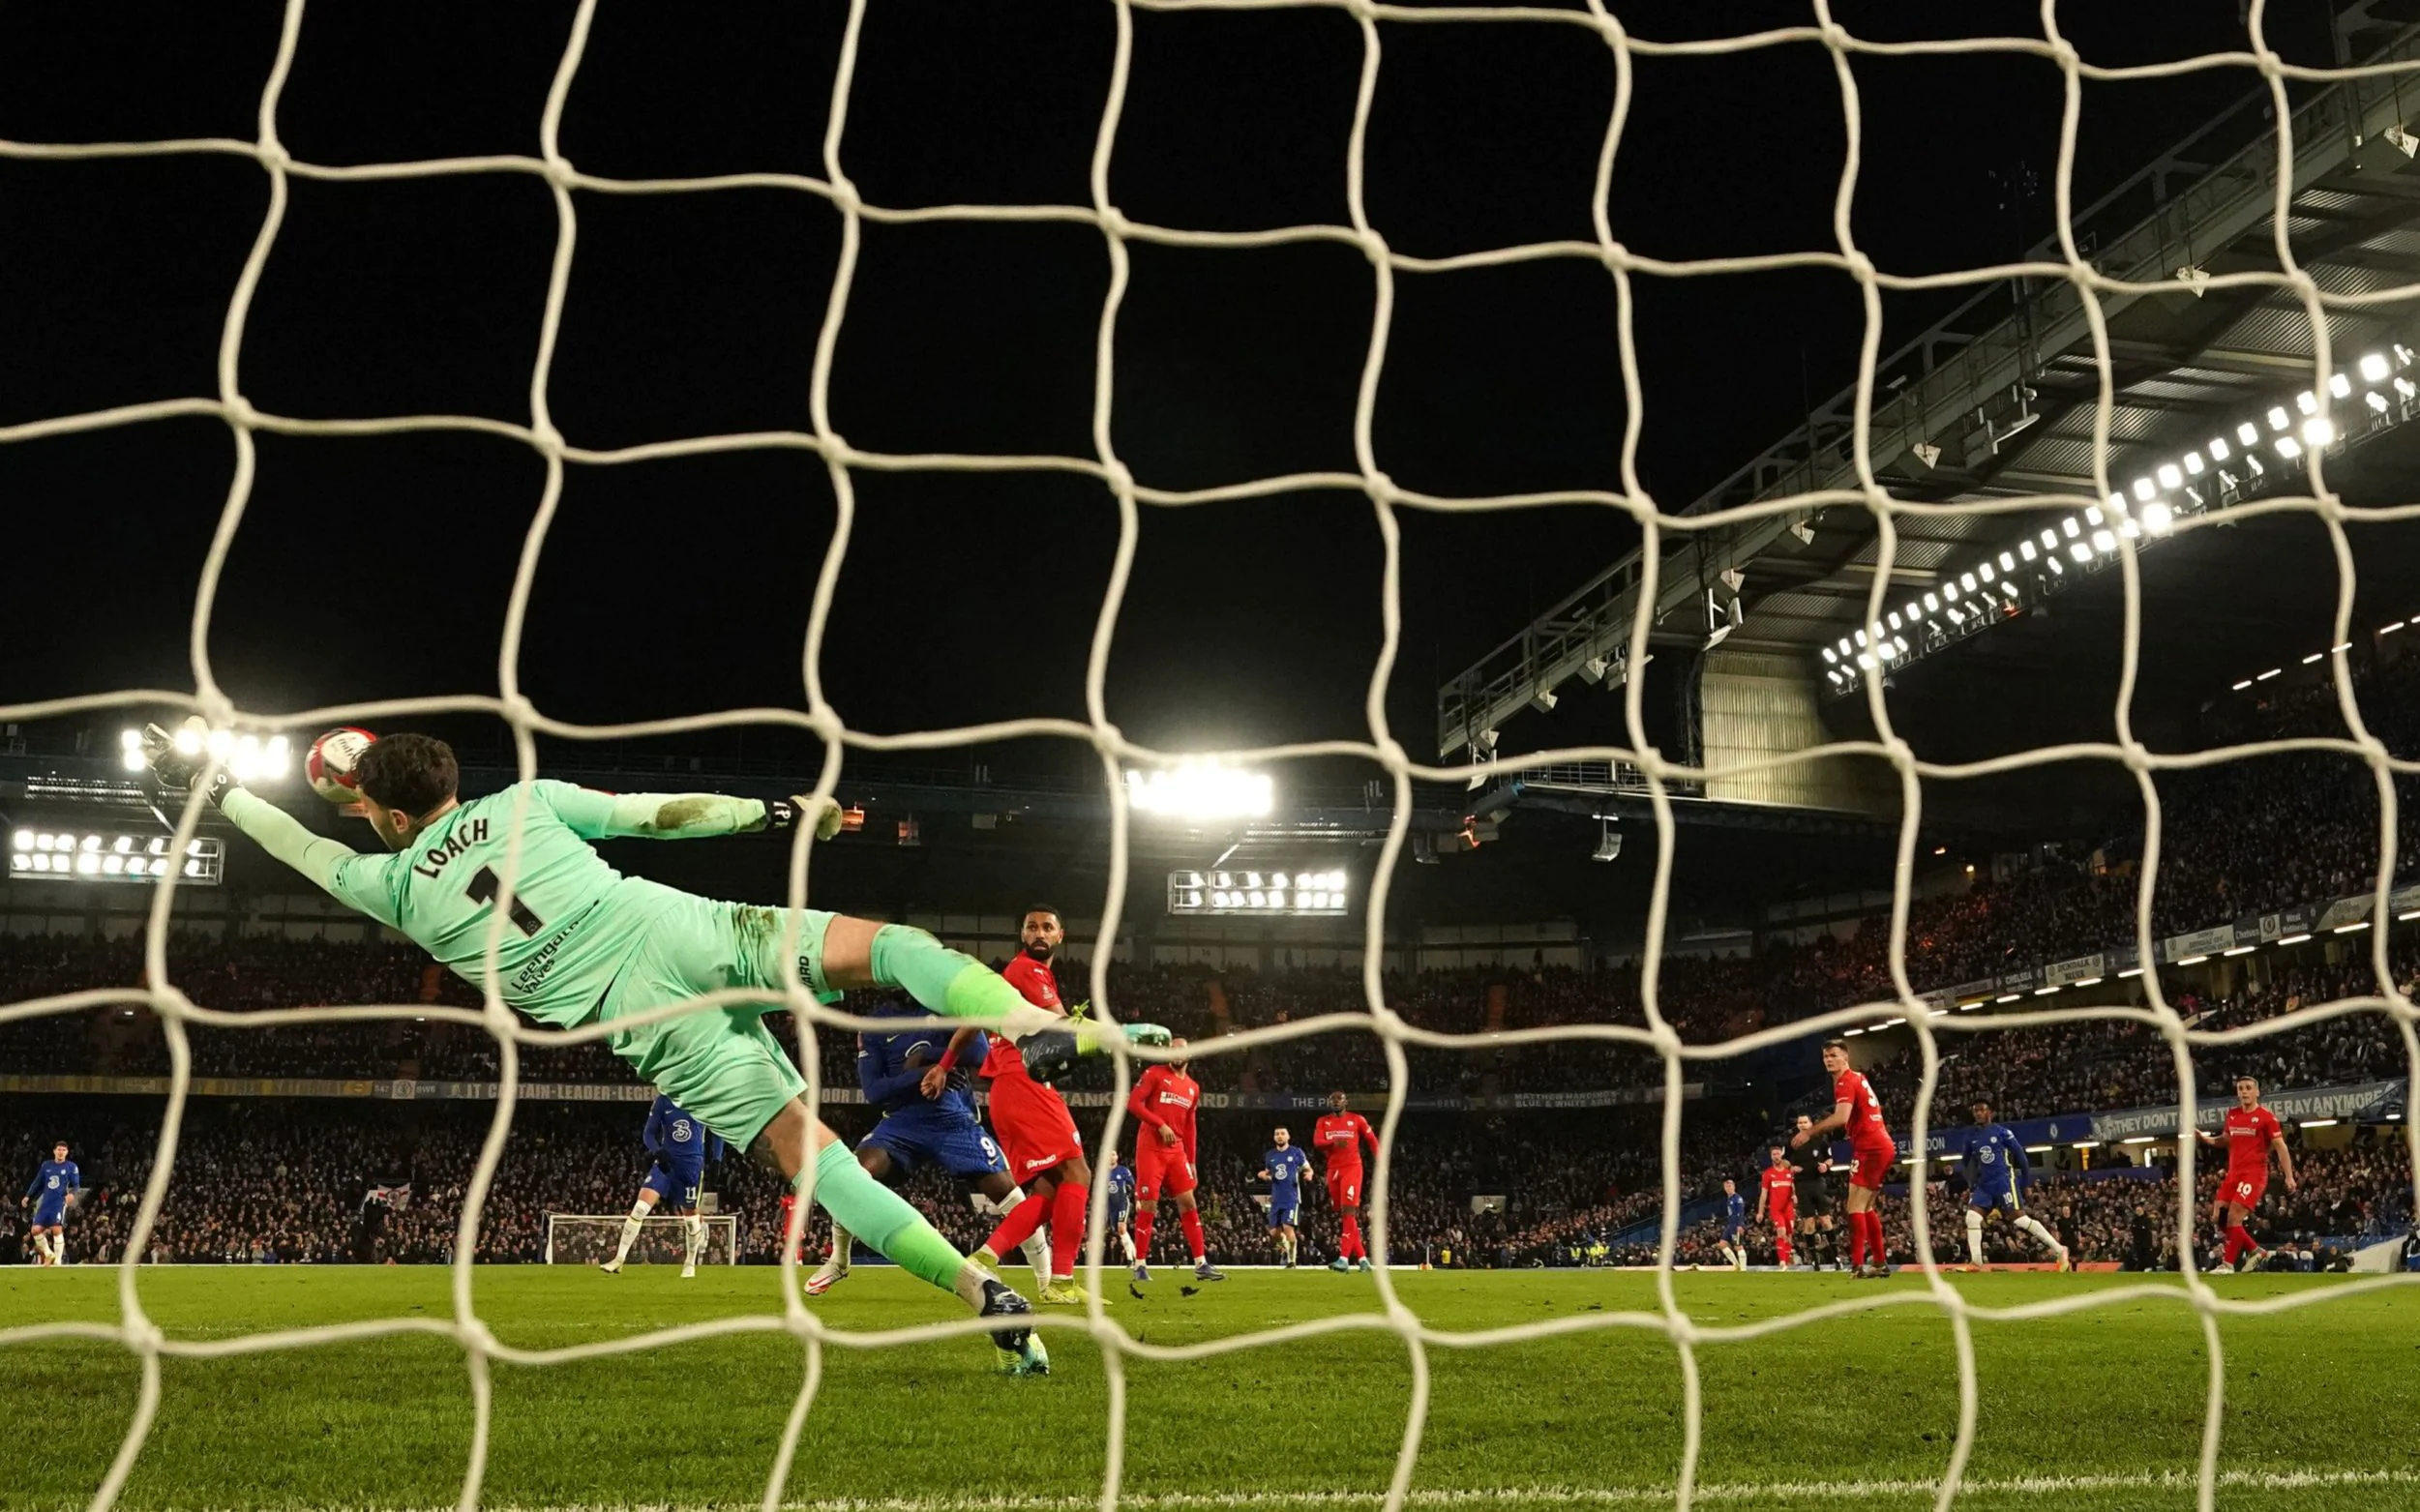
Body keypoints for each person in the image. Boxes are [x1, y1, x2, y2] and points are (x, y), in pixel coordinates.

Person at [138, 726, 1167, 1375]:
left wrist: (217, 787)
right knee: (889, 948)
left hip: (643, 1023)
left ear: (389, 813)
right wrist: (775, 810)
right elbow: (663, 817)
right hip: (687, 933)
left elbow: (296, 842)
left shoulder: (389, 884)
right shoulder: (522, 800)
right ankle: (1049, 1025)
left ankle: (975, 1291)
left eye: (369, 808)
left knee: (816, 1161)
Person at [805, 999, 1052, 1296]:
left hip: (953, 1118)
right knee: (852, 1175)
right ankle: (839, 1260)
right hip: (902, 1121)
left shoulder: (945, 1005)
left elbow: (980, 1053)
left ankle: (1047, 1280)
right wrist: (919, 1074)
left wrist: (929, 1056)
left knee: (1009, 1193)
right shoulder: (876, 1021)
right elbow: (873, 1090)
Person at [941, 905, 1109, 1306]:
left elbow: (972, 1022)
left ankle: (984, 1257)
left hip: (1009, 1091)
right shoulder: (1027, 972)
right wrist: (1116, 1037)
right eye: (1032, 926)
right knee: (1078, 1172)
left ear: (1059, 936)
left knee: (1049, 1193)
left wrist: (944, 1066)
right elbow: (1064, 1026)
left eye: (1047, 927)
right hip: (1023, 1082)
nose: (1039, 932)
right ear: (1022, 934)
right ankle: (1062, 1280)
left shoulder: (1007, 981)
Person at [1121, 1039, 1224, 1284]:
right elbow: (1133, 1103)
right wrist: (1160, 1124)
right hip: (1150, 1149)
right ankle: (1140, 1264)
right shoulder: (1154, 1073)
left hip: (1176, 1151)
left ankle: (1201, 1263)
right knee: (1149, 1206)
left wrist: (1192, 1162)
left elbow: (1190, 1126)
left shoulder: (1193, 1087)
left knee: (1189, 1203)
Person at [1792, 1042, 1897, 1279]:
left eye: (1833, 1055)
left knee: (1854, 1207)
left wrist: (1809, 1132)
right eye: (1825, 1056)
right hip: (1878, 1145)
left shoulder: (1845, 1081)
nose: (1828, 1060)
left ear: (1845, 1057)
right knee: (1866, 1206)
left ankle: (1857, 1265)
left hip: (1870, 1147)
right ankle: (1879, 1263)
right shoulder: (1858, 1077)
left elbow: (1841, 1117)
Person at [601, 1094, 725, 1277]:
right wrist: (657, 1152)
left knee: (691, 1219)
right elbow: (648, 1133)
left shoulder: (702, 1097)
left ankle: (690, 1263)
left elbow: (718, 1130)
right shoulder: (663, 1101)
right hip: (665, 1164)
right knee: (640, 1208)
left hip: (691, 1166)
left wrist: (717, 1159)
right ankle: (618, 1260)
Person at [2193, 1074, 2297, 1273]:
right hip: (2233, 1174)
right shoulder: (2232, 1114)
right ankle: (2255, 1250)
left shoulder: (2267, 1118)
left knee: (2233, 1218)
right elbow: (2224, 1140)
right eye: (2241, 1088)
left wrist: (2289, 1176)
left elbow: (2281, 1147)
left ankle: (2228, 1264)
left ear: (2257, 1091)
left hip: (2253, 1174)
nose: (2244, 1092)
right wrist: (2205, 1139)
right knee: (2219, 1218)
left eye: (2248, 1088)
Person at [1957, 1100, 2069, 1270]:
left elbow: (2021, 1158)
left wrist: (2025, 1183)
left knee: (2021, 1220)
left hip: (2004, 1181)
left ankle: (2060, 1250)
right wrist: (1971, 1183)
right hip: (1985, 1185)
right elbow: (1965, 1162)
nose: (1978, 1113)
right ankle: (1976, 1261)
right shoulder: (1971, 1136)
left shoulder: (2002, 1132)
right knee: (1972, 1218)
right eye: (1975, 1111)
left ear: (1990, 1112)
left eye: (1982, 1110)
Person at [1314, 1091, 1380, 1273]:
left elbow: (1372, 1141)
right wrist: (1334, 1141)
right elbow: (1318, 1142)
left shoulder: (1357, 1119)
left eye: (1339, 1100)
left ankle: (1343, 1258)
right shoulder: (1323, 1121)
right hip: (1333, 1171)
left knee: (1349, 1211)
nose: (1335, 1103)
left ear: (1346, 1102)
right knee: (1346, 1216)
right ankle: (1363, 1260)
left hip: (1352, 1168)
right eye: (1332, 1100)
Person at [1783, 1113, 1837, 1270]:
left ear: (1811, 1123)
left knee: (1826, 1220)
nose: (1802, 1125)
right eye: (1800, 1123)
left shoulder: (1820, 1140)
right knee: (1809, 1223)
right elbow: (1785, 1160)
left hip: (1818, 1182)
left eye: (1805, 1122)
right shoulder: (1792, 1143)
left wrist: (1826, 1166)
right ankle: (1815, 1261)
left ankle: (1837, 1258)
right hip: (1801, 1184)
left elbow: (1829, 1158)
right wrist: (1791, 1167)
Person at [1259, 1126, 1312, 1268]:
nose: (1280, 1136)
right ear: (1274, 1137)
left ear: (1288, 1136)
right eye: (1277, 1134)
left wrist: (1309, 1174)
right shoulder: (1270, 1155)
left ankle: (1291, 1261)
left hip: (1291, 1197)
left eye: (1283, 1134)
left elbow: (1308, 1168)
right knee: (1274, 1233)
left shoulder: (1296, 1152)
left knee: (1288, 1228)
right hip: (1276, 1198)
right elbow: (1268, 1172)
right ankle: (1286, 1247)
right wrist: (1264, 1175)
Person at [22, 1141, 79, 1266]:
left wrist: (72, 1194)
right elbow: (37, 1182)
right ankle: (49, 1254)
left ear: (67, 1152)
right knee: (35, 1230)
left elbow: (76, 1184)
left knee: (56, 1228)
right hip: (46, 1202)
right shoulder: (46, 1165)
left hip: (59, 1201)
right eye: (59, 1149)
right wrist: (28, 1196)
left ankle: (58, 1261)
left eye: (64, 1150)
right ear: (54, 1151)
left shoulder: (71, 1166)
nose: (61, 1152)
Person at [1754, 1144, 1796, 1268]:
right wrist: (1760, 1212)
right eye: (1774, 1154)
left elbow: (1793, 1189)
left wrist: (1795, 1195)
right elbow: (1763, 1194)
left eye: (1778, 1154)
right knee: (1781, 1232)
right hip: (1776, 1209)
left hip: (1788, 1208)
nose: (1776, 1156)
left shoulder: (1789, 1173)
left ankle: (1787, 1261)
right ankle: (1782, 1262)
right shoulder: (1768, 1174)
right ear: (1771, 1157)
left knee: (1789, 1235)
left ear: (1781, 1155)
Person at [1103, 1150, 1138, 1268]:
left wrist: (1138, 1200)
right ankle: (1135, 1255)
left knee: (1121, 1228)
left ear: (1117, 1157)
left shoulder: (1123, 1171)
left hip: (1122, 1202)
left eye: (1113, 1154)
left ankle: (1129, 1259)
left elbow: (1134, 1185)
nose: (1111, 1157)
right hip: (1111, 1205)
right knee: (1120, 1231)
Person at [1715, 1179, 1748, 1271]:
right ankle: (1736, 1264)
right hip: (1730, 1225)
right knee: (1722, 1244)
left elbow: (1740, 1212)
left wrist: (1740, 1225)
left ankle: (1743, 1269)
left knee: (1738, 1246)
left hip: (1736, 1225)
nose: (1728, 1188)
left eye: (1730, 1186)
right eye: (1726, 1186)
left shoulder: (1738, 1198)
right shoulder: (1729, 1199)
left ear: (1734, 1187)